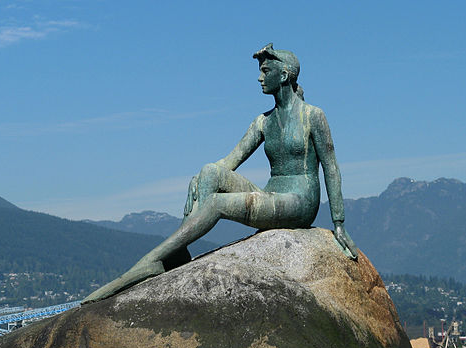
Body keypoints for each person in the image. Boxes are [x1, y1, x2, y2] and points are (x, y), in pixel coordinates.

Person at [83, 43, 357, 304]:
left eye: (265, 71)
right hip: (271, 195)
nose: (259, 78)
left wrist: (339, 223)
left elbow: (331, 168)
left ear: (283, 75)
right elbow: (229, 162)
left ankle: (152, 261)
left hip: (300, 201)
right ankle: (177, 255)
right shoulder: (264, 121)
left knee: (216, 203)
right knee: (209, 172)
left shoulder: (313, 115)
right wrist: (199, 179)